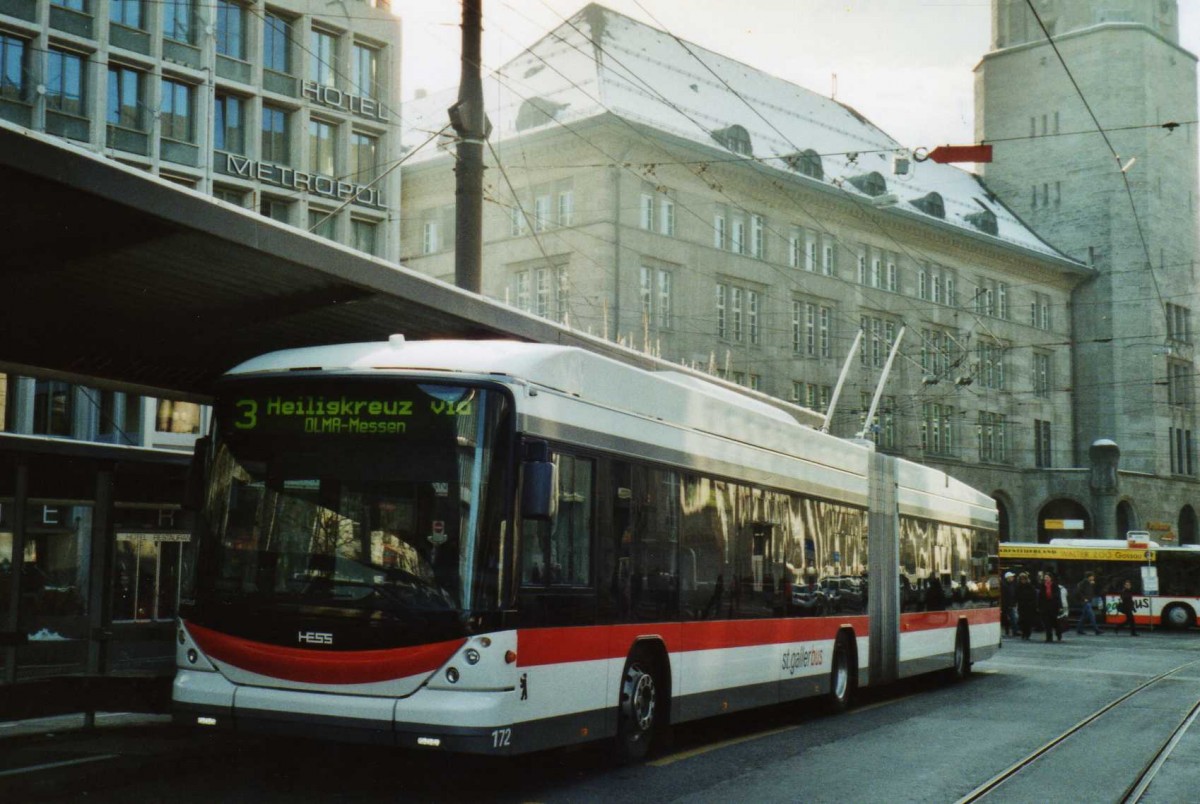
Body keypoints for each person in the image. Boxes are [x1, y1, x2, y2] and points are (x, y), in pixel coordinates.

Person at [1037, 571, 1065, 642]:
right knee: (1047, 623)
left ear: (1051, 578)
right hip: (1045, 607)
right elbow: (1040, 597)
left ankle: (1059, 635)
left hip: (1054, 607)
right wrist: (1039, 606)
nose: (1046, 579)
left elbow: (1058, 597)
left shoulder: (1055, 586)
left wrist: (1060, 607)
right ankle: (1049, 637)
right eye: (1045, 577)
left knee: (1055, 622)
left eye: (1047, 577)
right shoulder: (1042, 586)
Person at [1016, 572, 1038, 640]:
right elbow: (1016, 596)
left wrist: (1032, 604)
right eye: (1021, 579)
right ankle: (1024, 633)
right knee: (1022, 621)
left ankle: (1027, 634)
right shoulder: (1018, 587)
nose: (1023, 581)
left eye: (1024, 579)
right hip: (1021, 606)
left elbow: (1034, 597)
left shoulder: (1030, 587)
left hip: (1029, 607)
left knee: (1028, 621)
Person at [1001, 572, 1018, 636]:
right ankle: (1013, 631)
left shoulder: (1011, 585)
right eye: (1011, 577)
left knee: (1011, 618)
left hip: (1010, 604)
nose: (1013, 578)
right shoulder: (1005, 586)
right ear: (1008, 578)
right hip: (1007, 605)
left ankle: (1011, 631)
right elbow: (1006, 596)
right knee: (1012, 618)